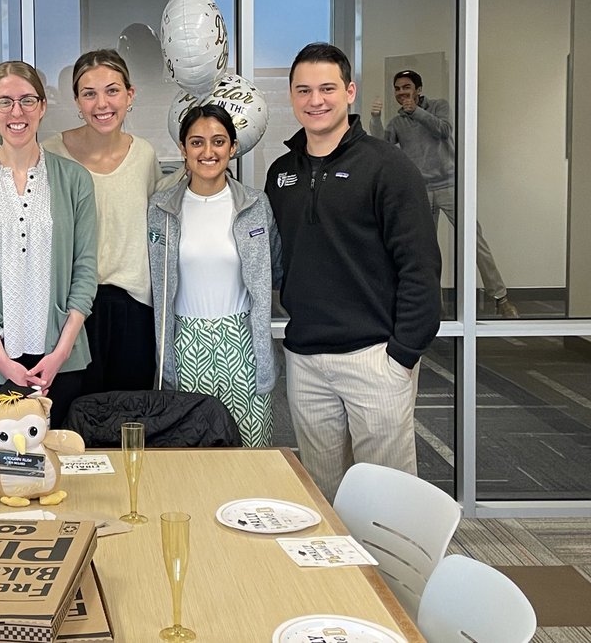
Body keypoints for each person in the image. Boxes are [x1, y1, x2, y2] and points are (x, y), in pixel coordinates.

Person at [264, 44, 441, 501]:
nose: (315, 100)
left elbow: (420, 267)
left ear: (349, 92)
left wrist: (402, 355)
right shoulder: (281, 174)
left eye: (327, 88)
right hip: (306, 360)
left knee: (387, 500)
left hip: (375, 357)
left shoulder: (389, 167)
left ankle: (397, 578)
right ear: (291, 96)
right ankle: (340, 577)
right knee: (324, 496)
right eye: (304, 90)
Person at [0, 61, 97, 429]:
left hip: (60, 361)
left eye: (27, 100)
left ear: (43, 107)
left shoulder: (75, 180)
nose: (17, 112)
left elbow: (85, 269)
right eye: (4, 102)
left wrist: (60, 353)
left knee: (58, 468)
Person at [147, 104, 281, 446]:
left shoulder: (255, 205)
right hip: (185, 344)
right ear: (182, 148)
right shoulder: (161, 209)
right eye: (197, 142)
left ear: (233, 148)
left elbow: (274, 266)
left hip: (243, 344)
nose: (208, 152)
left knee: (251, 452)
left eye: (219, 141)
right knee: (194, 454)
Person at [43, 49, 160, 393]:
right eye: (89, 94)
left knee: (128, 417)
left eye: (112, 90)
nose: (102, 103)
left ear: (130, 94)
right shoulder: (50, 153)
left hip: (133, 307)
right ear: (77, 101)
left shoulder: (144, 155)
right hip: (69, 308)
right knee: (72, 417)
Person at [371, 69, 519, 318]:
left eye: (406, 87)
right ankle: (432, 307)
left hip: (449, 186)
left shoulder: (439, 106)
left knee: (474, 241)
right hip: (420, 191)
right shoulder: (397, 122)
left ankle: (501, 298)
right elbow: (383, 148)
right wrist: (375, 118)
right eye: (397, 89)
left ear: (418, 90)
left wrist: (415, 111)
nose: (401, 93)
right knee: (424, 251)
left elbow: (443, 130)